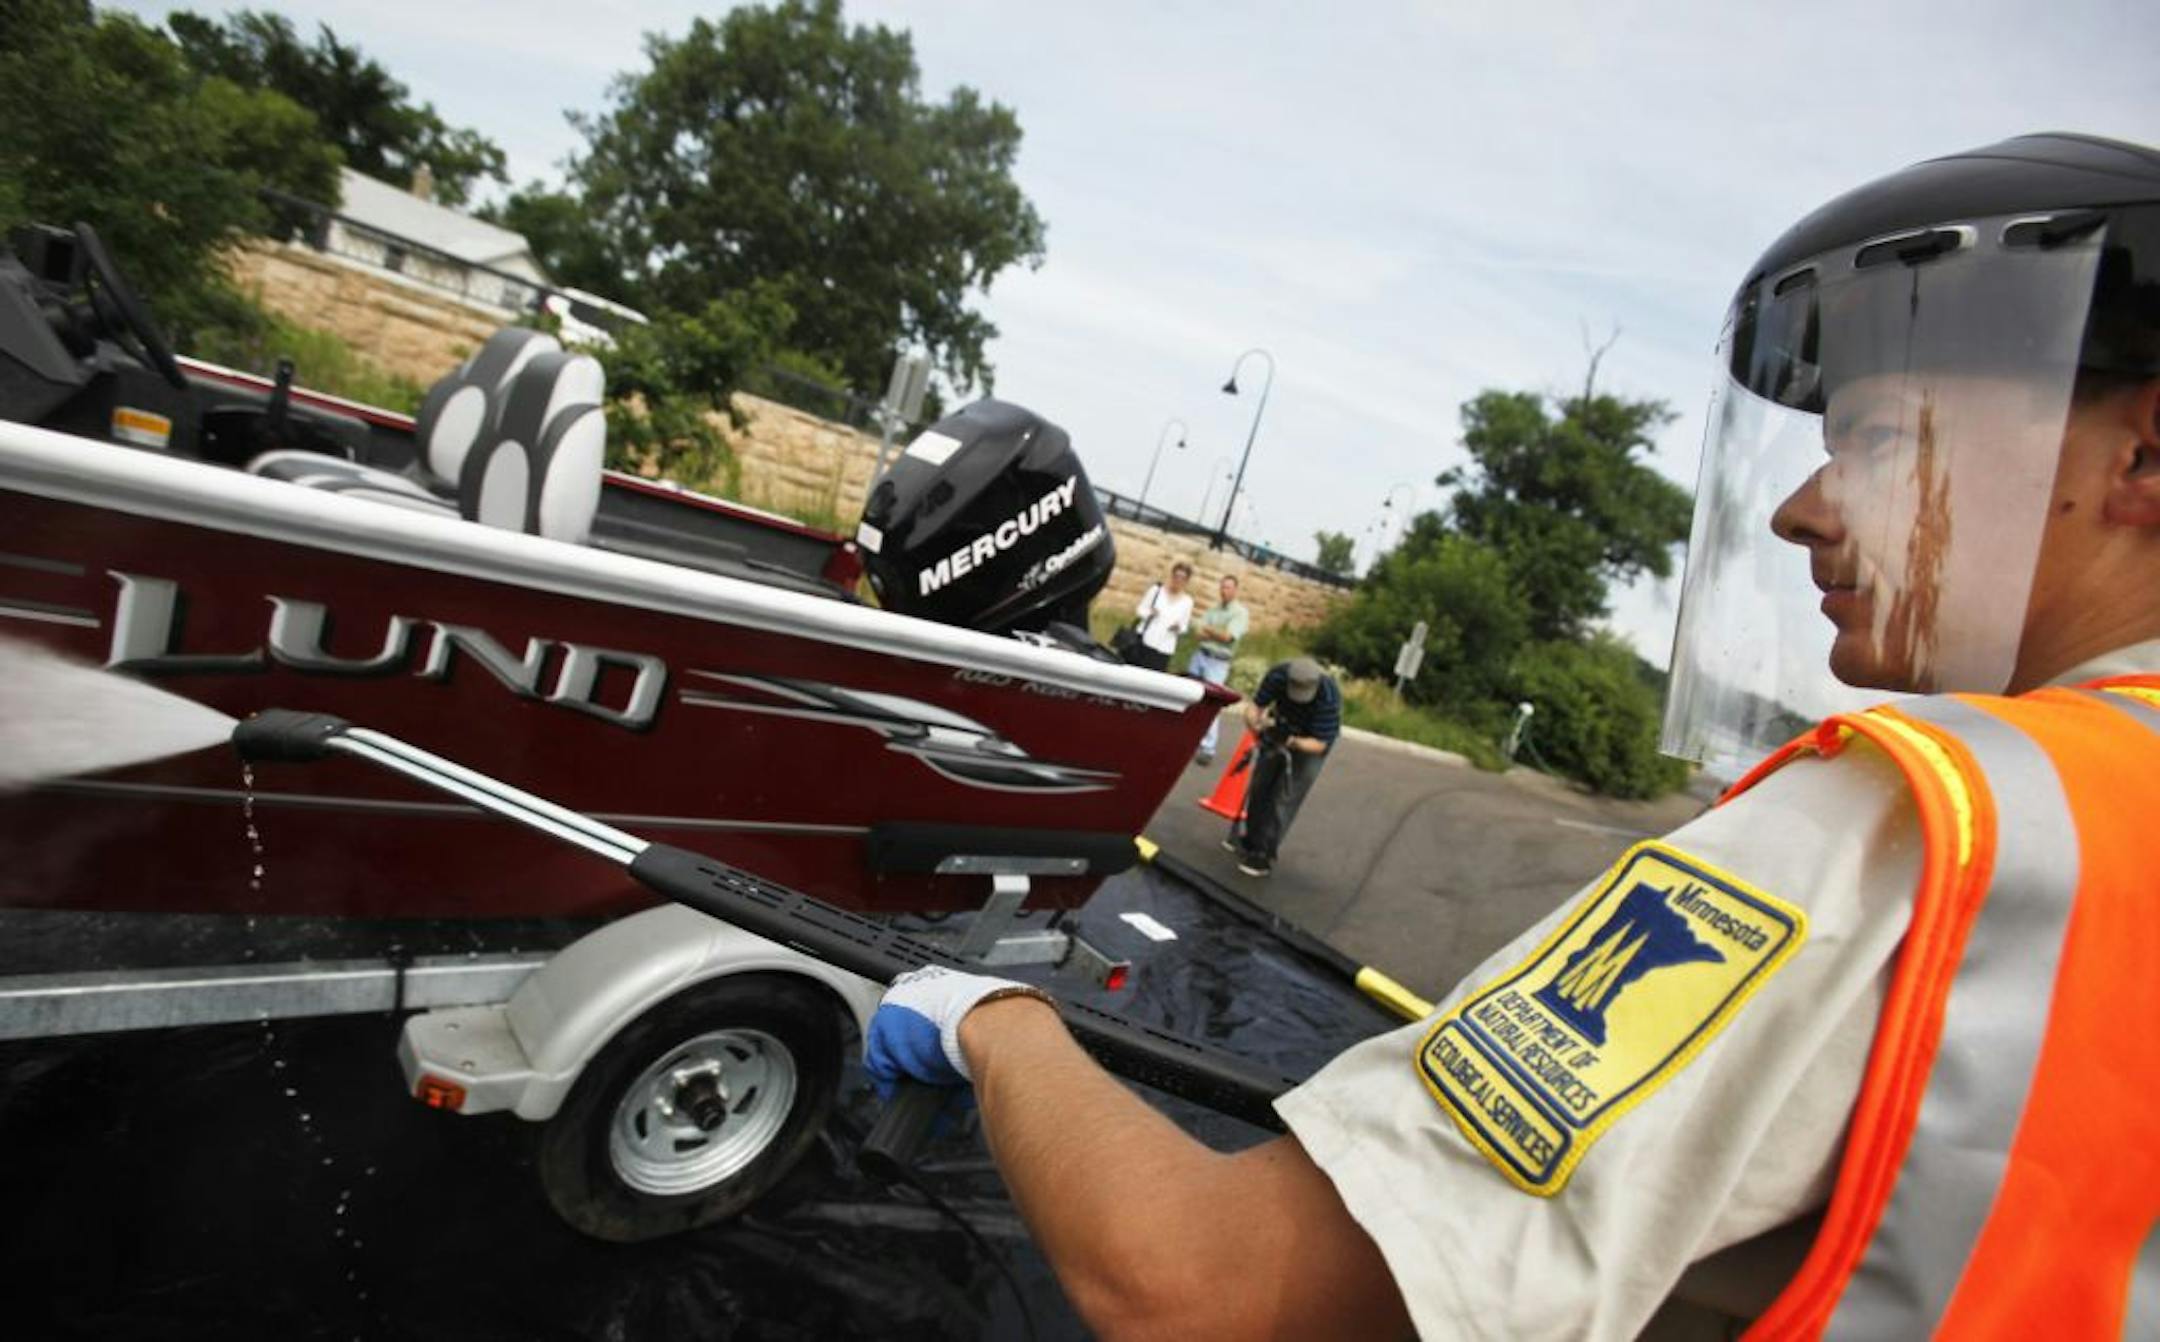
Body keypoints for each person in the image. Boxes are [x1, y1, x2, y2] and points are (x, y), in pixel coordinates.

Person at [862, 132, 2160, 1341]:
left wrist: (994, 1020)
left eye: (1878, 437)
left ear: (2143, 457)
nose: (1802, 510)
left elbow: (1202, 1282)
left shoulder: (1907, 836)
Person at [1223, 655, 1339, 877]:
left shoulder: (1328, 695)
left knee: (1286, 795)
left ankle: (1264, 853)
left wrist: (1291, 741)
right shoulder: (1277, 676)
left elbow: (1320, 744)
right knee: (1261, 785)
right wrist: (1255, 725)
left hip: (1311, 740)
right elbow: (1255, 707)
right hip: (1282, 724)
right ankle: (1251, 839)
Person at [1184, 572, 1251, 764]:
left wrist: (1210, 631)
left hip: (1218, 662)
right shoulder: (1213, 610)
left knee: (1211, 702)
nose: (1224, 590)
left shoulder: (1239, 613)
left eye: (1228, 587)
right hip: (1201, 655)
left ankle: (1208, 747)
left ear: (1235, 590)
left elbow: (1228, 637)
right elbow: (1199, 633)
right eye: (1222, 587)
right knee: (1191, 696)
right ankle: (1189, 739)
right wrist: (1214, 633)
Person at [1120, 562, 1193, 671]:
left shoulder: (1187, 601)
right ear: (1172, 575)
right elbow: (1140, 610)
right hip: (1144, 641)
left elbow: (1184, 626)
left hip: (1164, 647)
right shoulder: (1157, 590)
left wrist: (1178, 627)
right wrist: (1150, 613)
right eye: (1176, 576)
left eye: (1182, 578)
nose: (1178, 580)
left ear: (1186, 581)